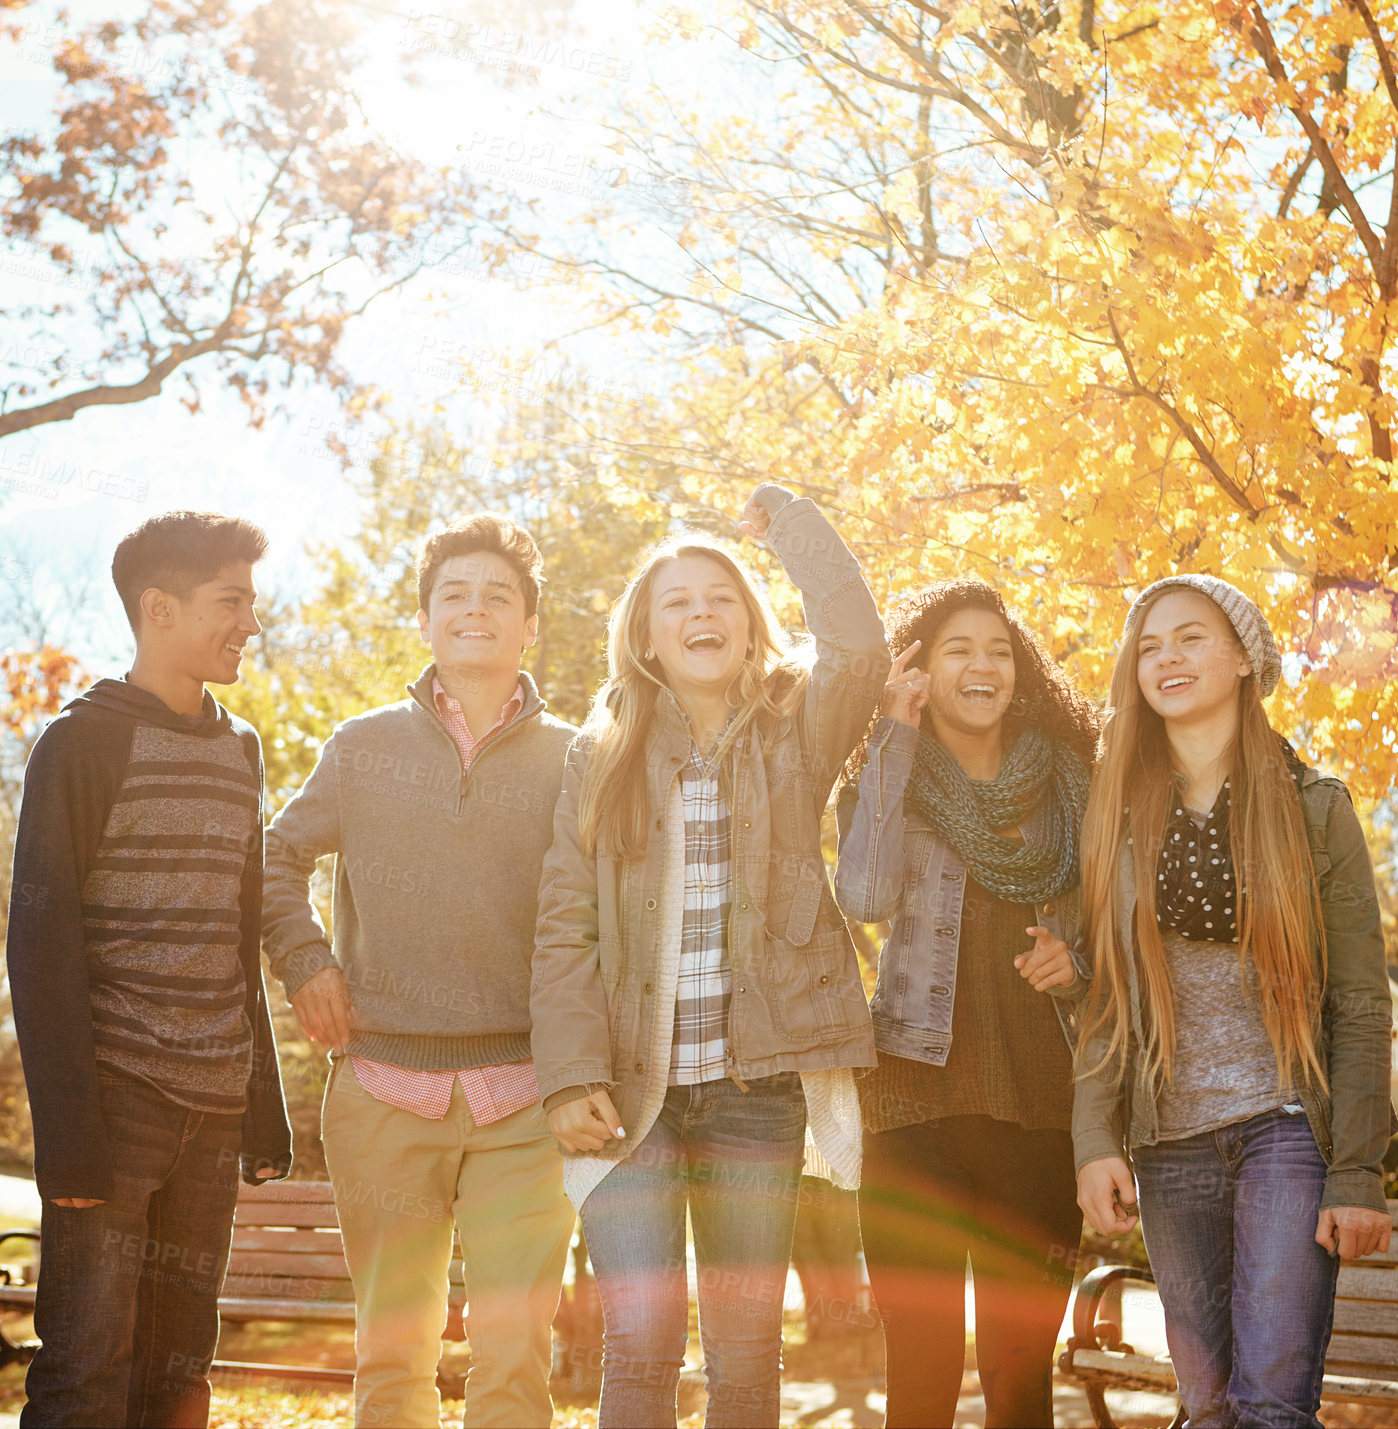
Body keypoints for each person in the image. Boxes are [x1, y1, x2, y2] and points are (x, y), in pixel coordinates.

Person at [530, 483, 889, 1428]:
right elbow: (566, 926)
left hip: (754, 1091)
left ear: (750, 623)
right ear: (646, 636)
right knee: (641, 1346)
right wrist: (568, 1077)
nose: (701, 614)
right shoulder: (598, 754)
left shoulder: (794, 732)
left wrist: (799, 529)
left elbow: (859, 648)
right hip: (629, 1095)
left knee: (743, 1353)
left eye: (721, 598)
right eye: (677, 602)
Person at [261, 514, 576, 1429]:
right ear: (427, 619)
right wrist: (307, 959)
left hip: (528, 1096)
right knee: (393, 1353)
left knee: (516, 1356)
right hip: (382, 1088)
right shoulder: (362, 746)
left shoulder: (577, 757)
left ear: (529, 625)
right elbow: (275, 856)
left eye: (497, 596)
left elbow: (605, 909)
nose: (474, 609)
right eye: (455, 595)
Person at [1074, 574, 1393, 1429]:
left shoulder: (1315, 808)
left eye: (1189, 638)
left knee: (1272, 1404)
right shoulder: (1115, 813)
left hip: (1285, 1125)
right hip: (1168, 1140)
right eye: (1148, 646)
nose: (1165, 657)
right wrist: (1094, 1135)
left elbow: (1362, 998)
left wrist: (1360, 1169)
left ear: (1245, 657)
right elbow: (1107, 990)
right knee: (1207, 1407)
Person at [7, 511, 293, 1428]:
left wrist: (260, 1102)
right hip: (115, 1098)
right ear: (159, 607)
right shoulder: (80, 743)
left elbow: (236, 932)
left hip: (211, 1105)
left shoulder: (240, 748)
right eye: (232, 602)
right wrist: (69, 1133)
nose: (251, 623)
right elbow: (38, 947)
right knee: (87, 1361)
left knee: (178, 1372)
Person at [834, 577, 1099, 1429]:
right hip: (914, 1111)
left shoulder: (1073, 782)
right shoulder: (892, 777)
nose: (983, 664)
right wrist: (894, 736)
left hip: (1045, 1111)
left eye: (998, 649)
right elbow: (865, 892)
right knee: (922, 1371)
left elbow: (1119, 926)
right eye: (958, 649)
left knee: (1020, 1382)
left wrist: (1080, 958)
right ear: (919, 669)